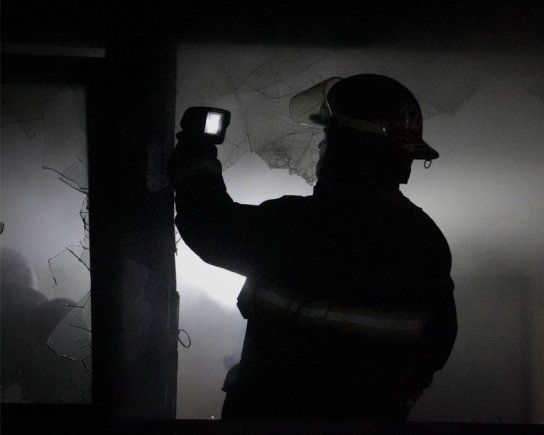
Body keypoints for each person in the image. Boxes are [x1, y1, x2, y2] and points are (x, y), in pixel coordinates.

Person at [170, 74, 457, 421]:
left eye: (327, 137)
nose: (321, 149)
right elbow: (438, 342)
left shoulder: (299, 225)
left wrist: (196, 153)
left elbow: (209, 227)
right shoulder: (426, 241)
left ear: (347, 150)